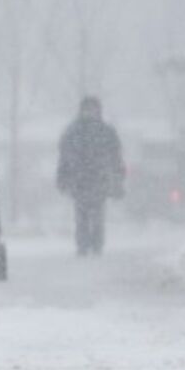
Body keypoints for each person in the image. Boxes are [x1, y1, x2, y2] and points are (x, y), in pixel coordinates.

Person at [56, 96, 125, 256]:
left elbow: (116, 157)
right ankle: (83, 245)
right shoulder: (73, 132)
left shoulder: (105, 131)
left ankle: (96, 244)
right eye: (87, 109)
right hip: (79, 179)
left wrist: (118, 177)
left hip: (98, 179)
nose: (90, 112)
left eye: (93, 109)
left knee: (98, 214)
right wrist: (62, 178)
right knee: (81, 215)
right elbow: (64, 158)